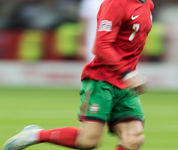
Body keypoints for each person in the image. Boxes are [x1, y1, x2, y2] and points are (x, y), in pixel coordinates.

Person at [3, 0, 154, 150]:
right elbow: (102, 46)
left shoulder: (148, 4)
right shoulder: (116, 3)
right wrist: (127, 74)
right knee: (88, 141)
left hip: (125, 83)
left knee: (133, 139)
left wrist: (129, 74)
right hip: (102, 80)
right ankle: (35, 135)